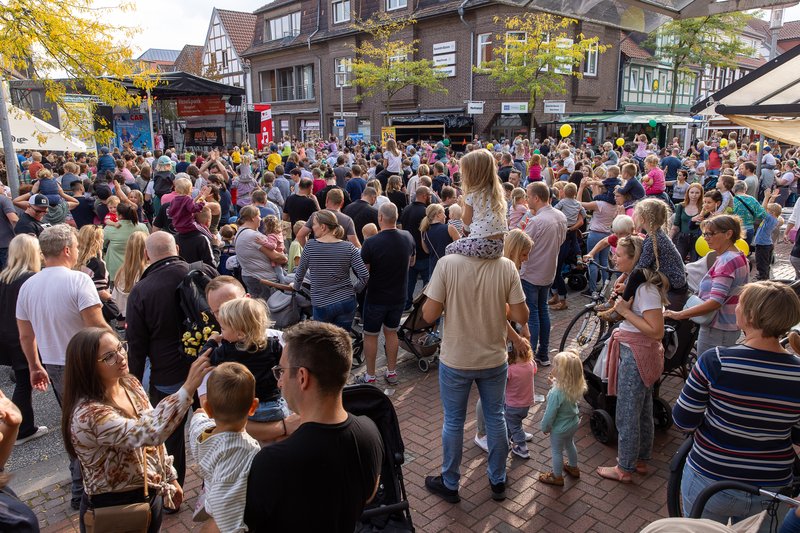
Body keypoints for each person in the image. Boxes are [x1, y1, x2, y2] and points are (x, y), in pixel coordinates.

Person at [673, 281, 800, 525]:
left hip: (710, 478)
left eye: (740, 304)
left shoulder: (716, 361)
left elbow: (683, 419)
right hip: (771, 487)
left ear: (751, 315)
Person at [62, 327, 212, 533]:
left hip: (147, 494)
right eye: (109, 357)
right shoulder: (88, 415)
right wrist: (188, 387)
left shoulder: (129, 384)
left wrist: (170, 477)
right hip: (114, 509)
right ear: (88, 367)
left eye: (120, 348)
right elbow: (150, 432)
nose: (121, 357)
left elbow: (153, 435)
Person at [422, 226, 529, 503]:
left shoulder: (448, 263)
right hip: (493, 357)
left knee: (454, 421)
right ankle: (498, 480)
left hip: (457, 357)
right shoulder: (506, 266)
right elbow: (521, 314)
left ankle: (450, 482)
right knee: (496, 417)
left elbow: (428, 314)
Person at [244, 321, 383, 532]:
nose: (279, 382)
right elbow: (370, 494)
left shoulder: (272, 461)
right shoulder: (370, 431)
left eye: (280, 371)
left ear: (302, 377)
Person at [16, 224, 107, 509]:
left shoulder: (28, 286)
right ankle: (93, 483)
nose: (78, 252)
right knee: (97, 421)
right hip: (86, 362)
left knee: (72, 423)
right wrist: (119, 346)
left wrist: (34, 365)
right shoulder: (78, 280)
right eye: (77, 248)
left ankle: (80, 485)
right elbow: (97, 325)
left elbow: (26, 334)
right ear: (67, 250)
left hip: (53, 363)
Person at [126, 232, 218, 495]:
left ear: (146, 255)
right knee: (215, 426)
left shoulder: (142, 291)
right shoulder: (203, 271)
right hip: (209, 364)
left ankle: (174, 489)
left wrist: (133, 383)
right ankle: (214, 483)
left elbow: (137, 346)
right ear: (176, 248)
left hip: (168, 374)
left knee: (171, 437)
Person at [597, 235, 665, 483]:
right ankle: (640, 459)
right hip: (638, 352)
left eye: (619, 254)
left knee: (628, 411)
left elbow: (656, 330)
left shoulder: (646, 289)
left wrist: (624, 311)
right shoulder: (638, 285)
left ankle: (624, 467)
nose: (614, 256)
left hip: (637, 354)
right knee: (643, 409)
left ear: (633, 258)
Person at [189, 363, 261, 531]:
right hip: (224, 514)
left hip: (211, 492)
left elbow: (197, 420)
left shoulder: (202, 433)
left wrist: (199, 414)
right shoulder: (243, 450)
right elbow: (227, 517)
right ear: (253, 407)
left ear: (208, 408)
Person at [664, 215, 748, 355]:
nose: (706, 238)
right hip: (729, 325)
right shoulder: (738, 255)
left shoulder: (726, 261)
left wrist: (679, 314)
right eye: (705, 234)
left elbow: (715, 302)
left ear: (728, 234)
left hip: (718, 327)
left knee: (709, 369)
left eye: (710, 234)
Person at [200, 298, 288, 422]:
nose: (221, 332)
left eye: (223, 329)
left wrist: (212, 341)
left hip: (245, 409)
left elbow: (204, 358)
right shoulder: (273, 345)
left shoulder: (226, 351)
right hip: (274, 405)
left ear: (240, 334)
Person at [355, 203, 415, 385]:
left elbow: (364, 273)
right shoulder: (407, 236)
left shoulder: (371, 242)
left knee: (371, 335)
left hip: (376, 297)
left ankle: (370, 376)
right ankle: (391, 372)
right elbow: (412, 262)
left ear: (380, 218)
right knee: (391, 333)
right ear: (396, 217)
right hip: (399, 295)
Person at [0, 235, 47, 445]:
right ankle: (24, 428)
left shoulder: (4, 277)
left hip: (7, 335)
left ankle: (23, 427)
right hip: (25, 335)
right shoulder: (30, 279)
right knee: (25, 381)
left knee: (22, 379)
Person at [292, 210, 369, 331]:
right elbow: (364, 275)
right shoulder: (349, 247)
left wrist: (295, 288)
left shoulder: (310, 246)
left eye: (314, 224)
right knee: (341, 340)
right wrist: (354, 289)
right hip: (346, 300)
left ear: (323, 227)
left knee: (323, 342)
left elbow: (299, 274)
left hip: (322, 302)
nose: (312, 228)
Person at [520, 181, 567, 366]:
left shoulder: (537, 221)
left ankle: (528, 357)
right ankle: (543, 353)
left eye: (528, 195)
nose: (526, 199)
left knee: (532, 315)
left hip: (531, 272)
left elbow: (523, 245)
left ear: (536, 198)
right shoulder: (560, 216)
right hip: (548, 271)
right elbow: (561, 241)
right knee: (542, 312)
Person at [444, 149, 508, 259]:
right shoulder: (497, 192)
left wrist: (462, 206)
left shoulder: (472, 193)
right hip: (499, 244)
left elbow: (467, 220)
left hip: (480, 244)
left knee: (449, 249)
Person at [538, 350, 587, 486]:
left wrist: (545, 427)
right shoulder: (575, 385)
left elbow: (550, 414)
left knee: (556, 451)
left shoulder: (555, 393)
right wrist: (554, 383)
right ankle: (573, 467)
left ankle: (557, 476)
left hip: (559, 428)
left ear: (563, 373)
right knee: (570, 444)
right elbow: (563, 389)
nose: (553, 369)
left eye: (556, 366)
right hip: (572, 424)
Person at [234, 205, 288, 300]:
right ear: (253, 218)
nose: (261, 219)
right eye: (259, 216)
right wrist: (285, 258)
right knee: (270, 310)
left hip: (251, 276)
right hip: (264, 280)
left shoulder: (239, 233)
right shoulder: (254, 236)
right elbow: (276, 257)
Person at [398, 186, 431, 310]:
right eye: (429, 195)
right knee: (427, 283)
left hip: (409, 252)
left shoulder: (406, 209)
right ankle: (425, 306)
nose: (430, 197)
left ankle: (406, 305)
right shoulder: (426, 211)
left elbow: (402, 227)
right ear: (424, 196)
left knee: (409, 282)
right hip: (424, 253)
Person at [111, 232, 148, 328]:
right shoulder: (149, 270)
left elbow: (115, 300)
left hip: (127, 320)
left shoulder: (122, 271)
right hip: (144, 318)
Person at [421, 203, 461, 277]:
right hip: (450, 269)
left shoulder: (424, 231)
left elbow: (426, 250)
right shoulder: (450, 228)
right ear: (438, 215)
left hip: (434, 269)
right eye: (443, 213)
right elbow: (460, 248)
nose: (445, 216)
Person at [671, 183, 704, 262]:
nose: (694, 195)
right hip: (683, 237)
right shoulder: (681, 206)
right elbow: (676, 225)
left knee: (694, 262)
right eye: (692, 192)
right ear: (688, 193)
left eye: (697, 193)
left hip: (697, 238)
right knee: (679, 261)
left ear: (701, 194)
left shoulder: (703, 207)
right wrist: (670, 238)